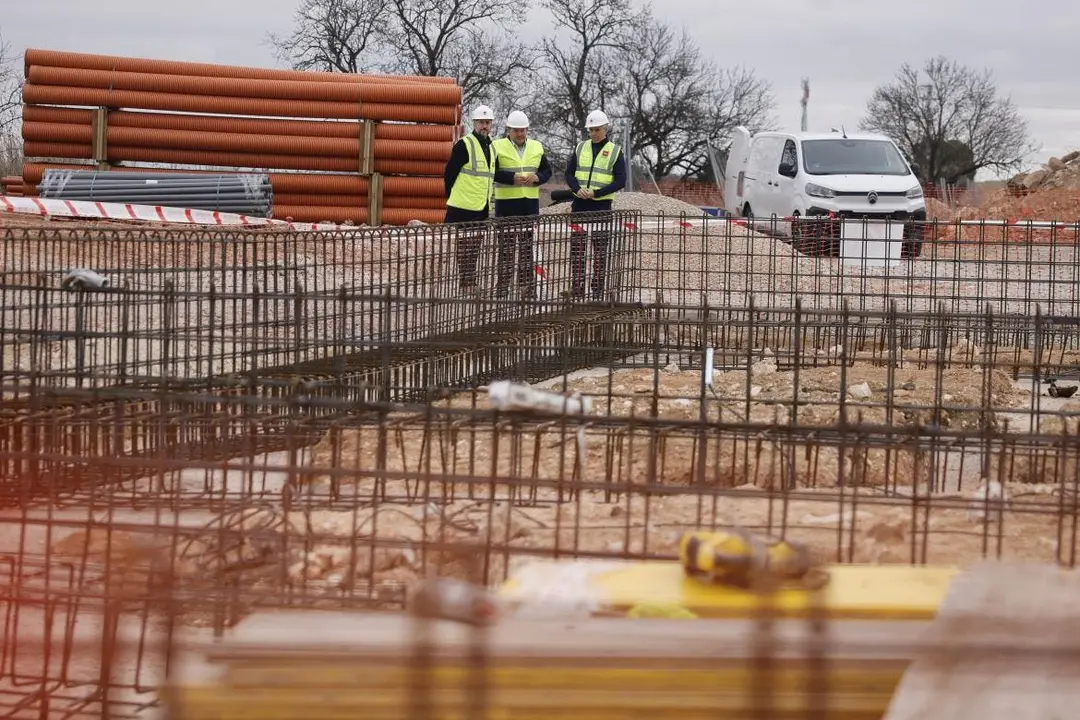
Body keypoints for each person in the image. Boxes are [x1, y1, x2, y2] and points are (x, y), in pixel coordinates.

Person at [564, 109, 627, 300]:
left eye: (597, 129)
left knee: (600, 251)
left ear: (605, 129)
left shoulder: (615, 152)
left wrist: (596, 193)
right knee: (578, 250)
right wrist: (577, 189)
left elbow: (620, 180)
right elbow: (569, 173)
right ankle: (577, 287)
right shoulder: (580, 148)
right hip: (580, 205)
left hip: (601, 207)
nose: (593, 133)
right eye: (590, 130)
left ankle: (597, 288)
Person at [491, 110, 553, 300]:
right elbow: (490, 171)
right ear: (509, 130)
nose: (520, 134)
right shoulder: (496, 146)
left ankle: (526, 287)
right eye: (516, 130)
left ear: (527, 130)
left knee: (528, 249)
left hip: (529, 205)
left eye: (523, 130)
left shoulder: (536, 147)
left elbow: (547, 171)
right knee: (506, 249)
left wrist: (538, 178)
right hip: (506, 205)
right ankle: (503, 287)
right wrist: (511, 178)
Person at [444, 104, 496, 295]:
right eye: (482, 122)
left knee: (474, 247)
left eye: (488, 122)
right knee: (466, 246)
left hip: (480, 207)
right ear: (474, 123)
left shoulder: (491, 147)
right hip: (463, 206)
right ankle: (466, 282)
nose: (485, 126)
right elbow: (449, 173)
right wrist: (451, 196)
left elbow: (493, 174)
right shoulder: (464, 144)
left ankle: (469, 280)